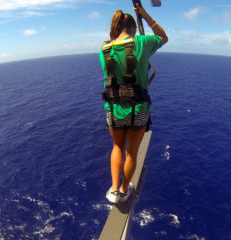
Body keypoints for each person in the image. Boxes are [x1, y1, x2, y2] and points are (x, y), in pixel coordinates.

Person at [99, 4, 168, 203]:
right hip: (138, 108)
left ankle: (113, 190)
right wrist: (145, 15)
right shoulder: (143, 42)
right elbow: (163, 37)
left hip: (113, 108)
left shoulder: (104, 50)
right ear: (133, 29)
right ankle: (123, 190)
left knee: (117, 147)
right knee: (132, 152)